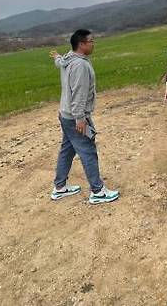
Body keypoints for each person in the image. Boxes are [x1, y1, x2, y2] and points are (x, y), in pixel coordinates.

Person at [49, 29, 119, 205]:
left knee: (67, 149)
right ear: (81, 44)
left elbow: (59, 62)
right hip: (75, 117)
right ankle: (98, 191)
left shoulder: (68, 59)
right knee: (88, 150)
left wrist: (57, 56)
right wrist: (80, 118)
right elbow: (78, 94)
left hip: (65, 115)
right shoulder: (80, 65)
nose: (93, 44)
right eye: (91, 41)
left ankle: (60, 187)